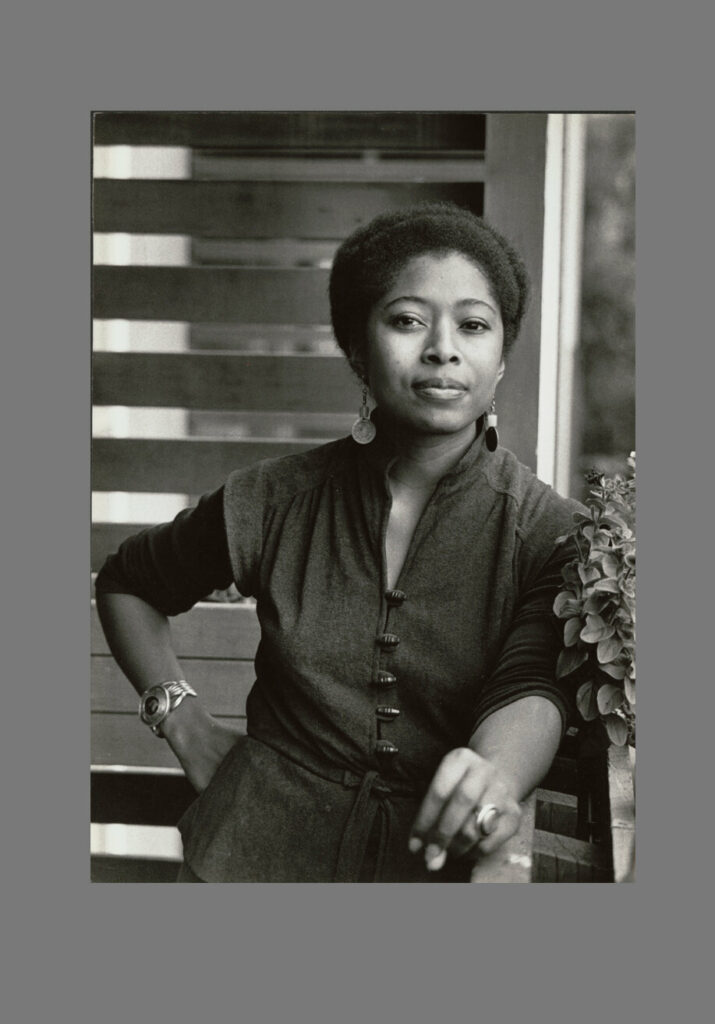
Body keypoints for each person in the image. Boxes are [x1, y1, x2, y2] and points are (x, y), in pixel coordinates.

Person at [95, 202, 581, 882]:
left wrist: (493, 773)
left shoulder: (550, 533)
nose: (443, 347)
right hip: (241, 866)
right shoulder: (274, 499)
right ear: (357, 349)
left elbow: (531, 685)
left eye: (473, 325)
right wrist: (183, 721)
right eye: (407, 320)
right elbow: (127, 583)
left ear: (499, 359)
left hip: (430, 875)